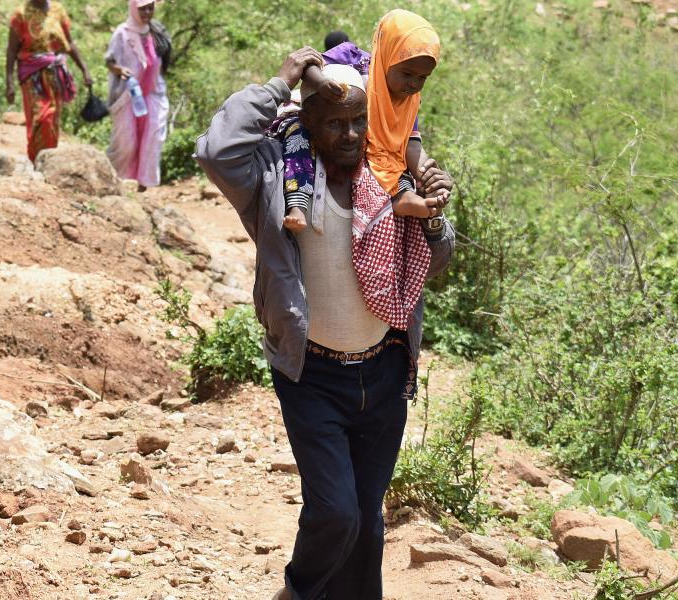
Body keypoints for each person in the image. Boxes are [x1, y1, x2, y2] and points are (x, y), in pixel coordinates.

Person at [195, 48, 455, 600]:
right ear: (308, 123)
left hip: (385, 371)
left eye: (360, 120)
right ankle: (298, 591)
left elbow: (440, 257)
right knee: (336, 513)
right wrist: (280, 81)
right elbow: (217, 152)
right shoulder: (277, 176)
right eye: (335, 122)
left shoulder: (389, 171)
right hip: (312, 373)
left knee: (366, 524)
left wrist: (433, 216)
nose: (351, 133)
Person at [284, 9, 441, 233]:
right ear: (389, 55)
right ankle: (297, 204)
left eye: (422, 78)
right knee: (297, 139)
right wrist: (320, 83)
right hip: (323, 119)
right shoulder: (353, 57)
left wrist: (426, 172)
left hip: (368, 140)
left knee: (395, 153)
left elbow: (411, 143)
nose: (414, 84)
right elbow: (307, 64)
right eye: (407, 73)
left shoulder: (408, 101)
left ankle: (402, 196)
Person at [4, 0, 93, 161]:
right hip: (32, 76)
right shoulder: (20, 15)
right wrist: (9, 81)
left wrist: (84, 69)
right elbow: (11, 50)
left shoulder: (58, 10)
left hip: (55, 76)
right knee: (41, 118)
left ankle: (49, 161)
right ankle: (35, 159)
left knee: (52, 120)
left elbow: (69, 43)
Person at [105, 0, 172, 192]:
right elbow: (110, 61)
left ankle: (143, 185)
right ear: (134, 9)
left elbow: (162, 59)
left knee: (152, 137)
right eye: (143, 8)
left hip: (153, 93)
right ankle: (116, 179)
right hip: (128, 95)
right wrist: (120, 70)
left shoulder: (156, 31)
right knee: (126, 141)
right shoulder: (122, 33)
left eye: (150, 8)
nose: (147, 12)